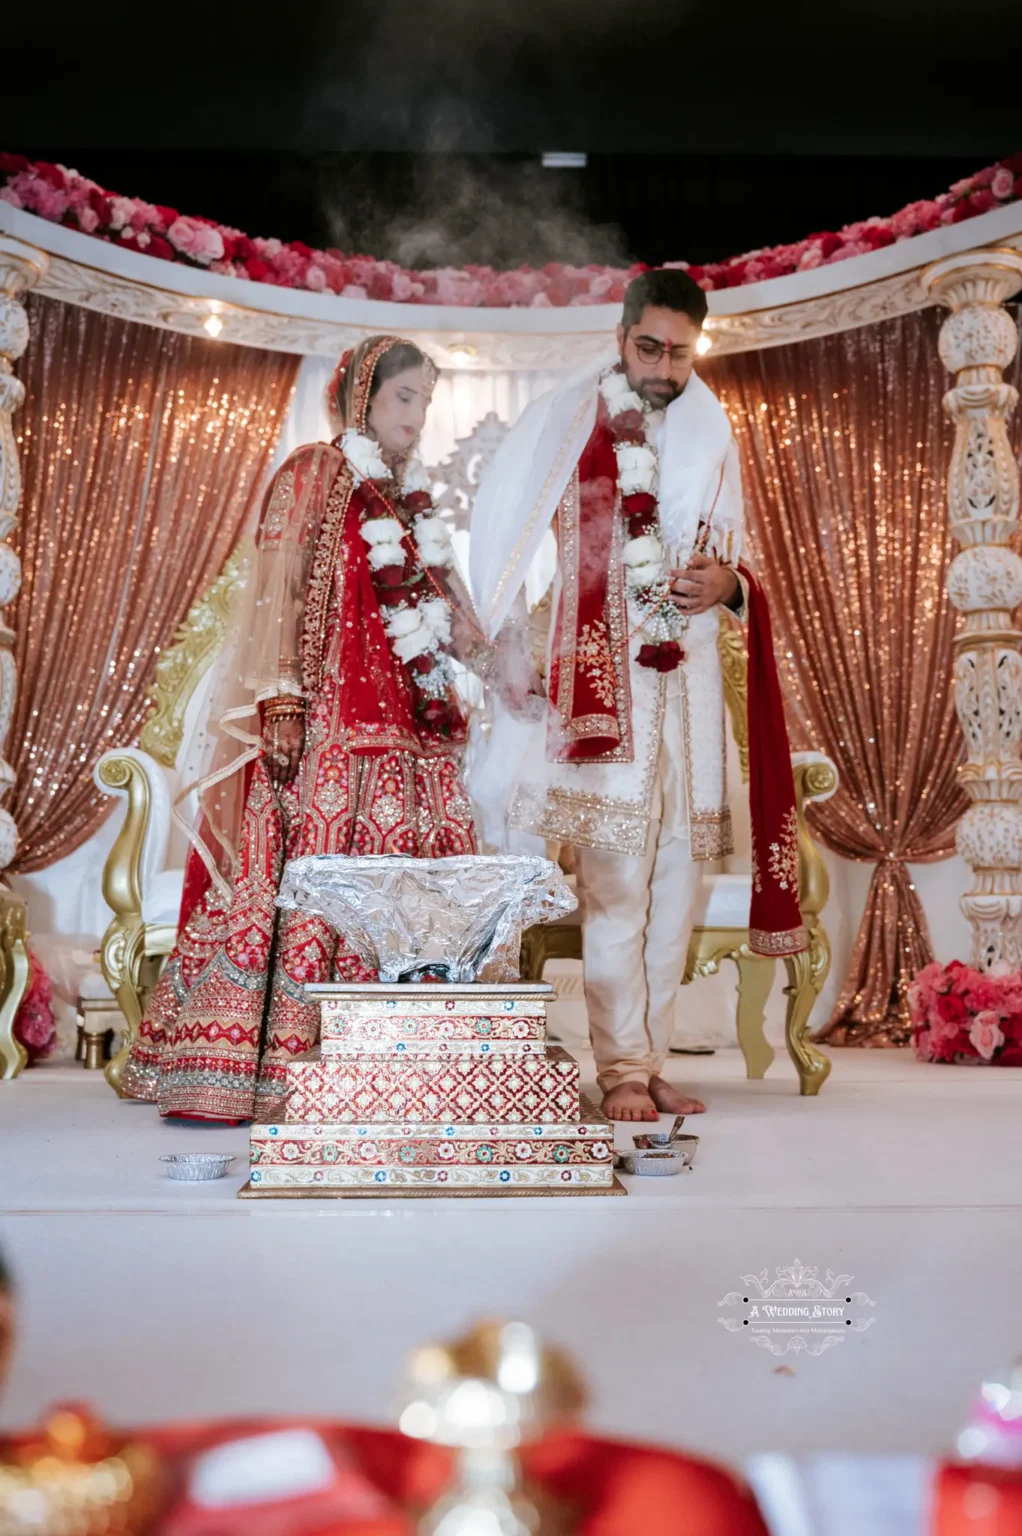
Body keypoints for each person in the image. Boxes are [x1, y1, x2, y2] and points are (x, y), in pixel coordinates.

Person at [469, 270, 806, 1123]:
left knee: (679, 880)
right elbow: (507, 543)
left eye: (680, 352)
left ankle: (650, 1061)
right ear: (621, 336)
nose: (663, 366)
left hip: (687, 693)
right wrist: (509, 644)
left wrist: (731, 585)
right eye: (649, 347)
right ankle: (620, 1067)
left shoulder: (713, 423)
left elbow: (740, 555)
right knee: (616, 882)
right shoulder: (568, 415)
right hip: (599, 684)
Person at [122, 335, 478, 1122]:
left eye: (425, 400)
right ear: (360, 399)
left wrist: (503, 658)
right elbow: (278, 590)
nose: (417, 417)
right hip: (328, 725)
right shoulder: (315, 471)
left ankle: (404, 1062)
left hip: (409, 731)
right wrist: (280, 697)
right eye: (403, 398)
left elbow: (449, 617)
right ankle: (276, 1061)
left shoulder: (407, 498)